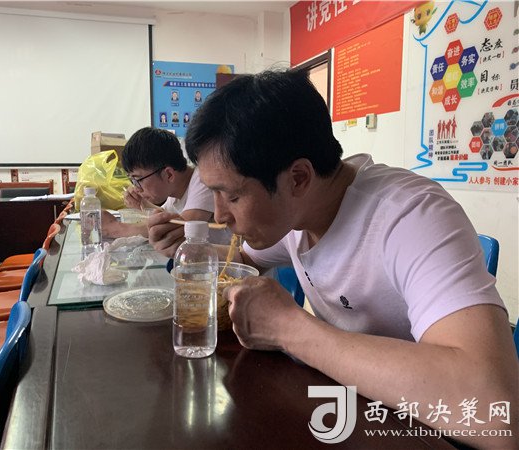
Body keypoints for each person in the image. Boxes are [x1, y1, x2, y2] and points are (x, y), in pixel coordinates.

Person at [148, 70, 518, 449]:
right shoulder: (296, 215)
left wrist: (289, 328)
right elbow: (242, 260)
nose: (219, 214)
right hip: (346, 415)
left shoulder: (411, 217)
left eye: (232, 196)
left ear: (298, 178)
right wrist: (186, 249)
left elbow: (496, 412)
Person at [101, 127, 229, 245]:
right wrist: (142, 204)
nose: (137, 188)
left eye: (138, 179)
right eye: (133, 181)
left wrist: (115, 228)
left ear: (168, 174)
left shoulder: (203, 180)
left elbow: (178, 229)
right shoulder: (175, 190)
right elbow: (164, 217)